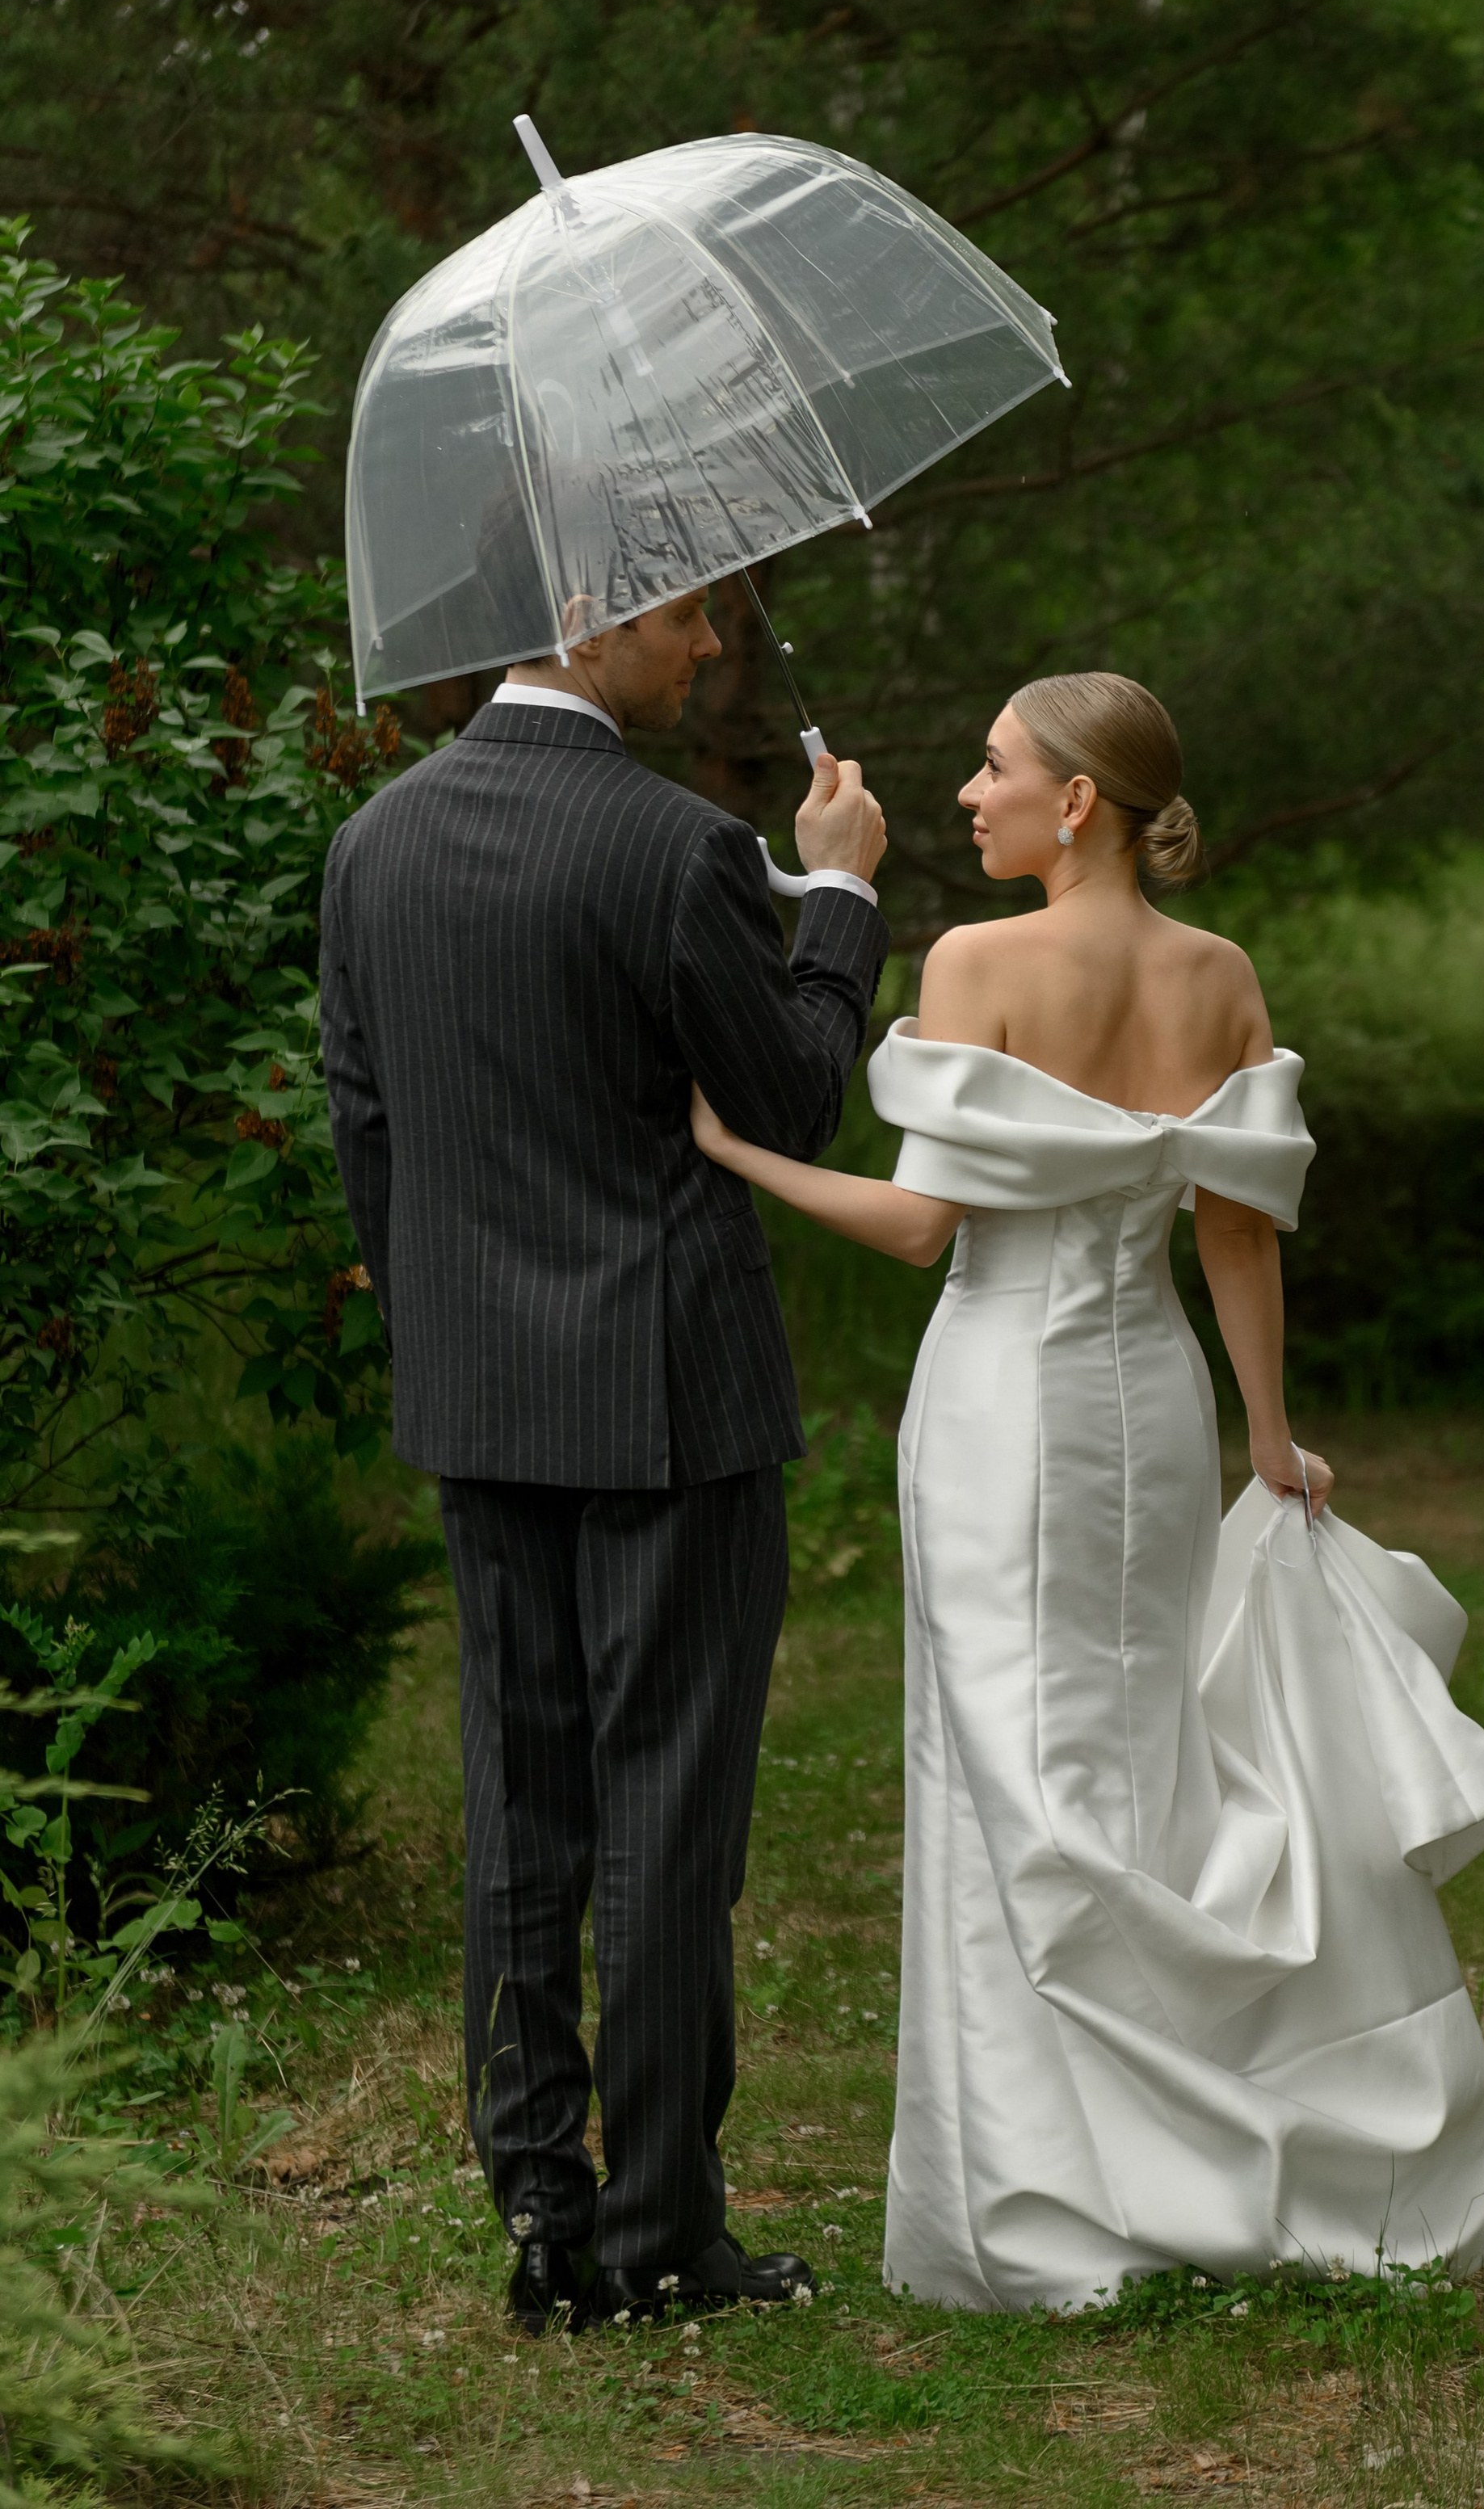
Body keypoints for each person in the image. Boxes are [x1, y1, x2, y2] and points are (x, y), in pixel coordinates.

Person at [692, 670, 1484, 2312]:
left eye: (993, 766)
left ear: (1077, 799)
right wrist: (1267, 1436)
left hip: (1005, 1400)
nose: (968, 794)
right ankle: (1201, 2140)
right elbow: (1237, 1231)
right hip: (1154, 1393)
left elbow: (921, 1229)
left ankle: (1054, 2200)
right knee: (1146, 1752)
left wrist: (738, 1155)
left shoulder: (975, 961)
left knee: (1010, 1763)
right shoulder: (1218, 975)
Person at [319, 586, 889, 2334]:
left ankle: (539, 2215)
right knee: (665, 1809)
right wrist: (841, 899)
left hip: (479, 1396)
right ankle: (655, 2231)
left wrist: (446, 1340)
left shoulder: (372, 844)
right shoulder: (678, 848)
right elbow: (791, 1099)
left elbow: (365, 1120)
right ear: (586, 612)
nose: (708, 651)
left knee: (520, 1798)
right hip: (668, 1400)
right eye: (684, 620)